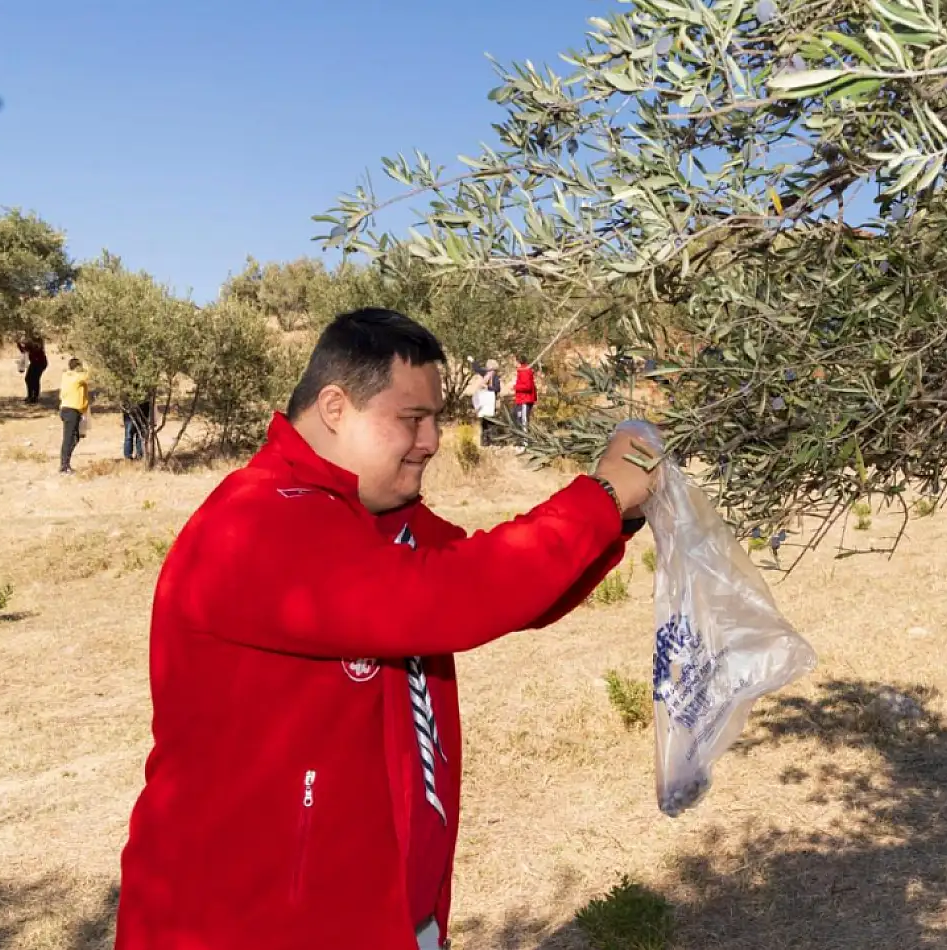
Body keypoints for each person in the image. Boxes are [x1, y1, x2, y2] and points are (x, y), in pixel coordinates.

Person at [114, 308, 658, 950]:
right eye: (412, 419)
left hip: (384, 915)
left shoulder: (377, 518)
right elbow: (443, 597)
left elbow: (509, 593)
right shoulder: (255, 522)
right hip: (246, 925)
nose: (431, 441)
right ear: (336, 407)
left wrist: (615, 521)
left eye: (436, 420)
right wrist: (598, 496)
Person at [58, 358, 90, 474]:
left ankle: (66, 462)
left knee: (75, 437)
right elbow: (88, 375)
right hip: (71, 410)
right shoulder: (77, 377)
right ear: (77, 367)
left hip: (69, 409)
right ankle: (64, 466)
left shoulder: (66, 375)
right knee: (69, 438)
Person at [122, 393, 154, 462]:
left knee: (133, 435)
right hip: (133, 409)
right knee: (131, 435)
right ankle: (130, 457)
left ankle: (136, 456)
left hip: (138, 408)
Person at [17, 336, 48, 404]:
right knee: (28, 379)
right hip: (34, 363)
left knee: (35, 379)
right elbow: (23, 350)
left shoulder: (35, 345)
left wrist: (22, 344)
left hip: (41, 363)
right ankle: (30, 396)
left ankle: (35, 397)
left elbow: (35, 348)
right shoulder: (30, 346)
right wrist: (18, 343)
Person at [513, 357, 538, 429]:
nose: (513, 363)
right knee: (519, 418)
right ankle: (523, 439)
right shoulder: (523, 370)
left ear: (518, 362)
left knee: (523, 421)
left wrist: (516, 387)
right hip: (522, 399)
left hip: (524, 399)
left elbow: (528, 387)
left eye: (514, 361)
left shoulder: (524, 371)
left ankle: (525, 439)